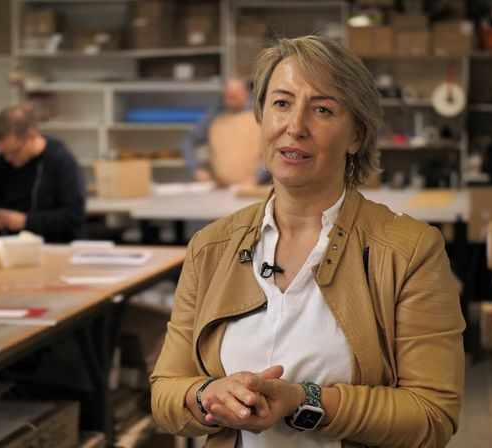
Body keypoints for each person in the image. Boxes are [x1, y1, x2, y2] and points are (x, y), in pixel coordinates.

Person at [150, 36, 464, 448]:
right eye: (281, 103)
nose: (294, 127)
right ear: (261, 118)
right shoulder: (211, 248)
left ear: (357, 135)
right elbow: (165, 391)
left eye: (322, 109)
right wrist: (206, 394)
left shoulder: (409, 253)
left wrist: (306, 400)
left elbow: (432, 414)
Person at [0, 105, 86, 243]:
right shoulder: (1, 162)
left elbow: (73, 216)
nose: (8, 158)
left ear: (32, 136)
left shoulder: (61, 161)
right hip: (11, 246)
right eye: (3, 152)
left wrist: (26, 221)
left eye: (14, 152)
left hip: (54, 245)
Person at [181, 77, 268, 186]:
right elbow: (189, 141)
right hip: (220, 188)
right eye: (225, 97)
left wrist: (258, 176)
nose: (228, 101)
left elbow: (273, 150)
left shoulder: (261, 113)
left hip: (254, 187)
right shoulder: (215, 114)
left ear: (245, 94)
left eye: (233, 97)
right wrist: (196, 169)